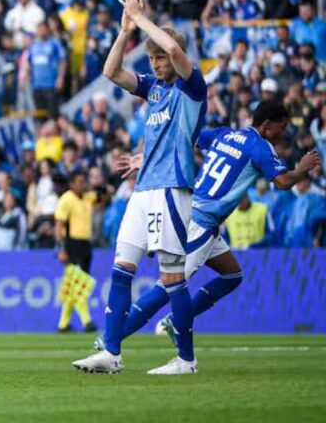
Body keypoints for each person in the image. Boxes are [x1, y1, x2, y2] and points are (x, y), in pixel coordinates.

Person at [98, 101, 321, 353]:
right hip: (201, 222)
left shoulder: (224, 134)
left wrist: (148, 158)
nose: (285, 132)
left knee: (232, 275)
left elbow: (182, 139)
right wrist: (302, 169)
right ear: (267, 126)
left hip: (198, 215)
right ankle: (111, 338)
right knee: (168, 287)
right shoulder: (260, 147)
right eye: (283, 126)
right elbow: (281, 181)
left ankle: (174, 321)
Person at [74, 0, 207, 375]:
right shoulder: (154, 89)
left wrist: (141, 17)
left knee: (171, 278)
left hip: (172, 189)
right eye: (151, 58)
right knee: (121, 265)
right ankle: (110, 352)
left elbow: (178, 52)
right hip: (144, 189)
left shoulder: (191, 87)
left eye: (159, 57)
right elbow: (111, 72)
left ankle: (186, 359)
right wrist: (124, 30)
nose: (155, 63)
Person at [54, 170, 97, 333]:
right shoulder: (66, 199)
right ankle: (87, 321)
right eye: (79, 181)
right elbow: (58, 224)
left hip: (85, 244)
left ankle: (63, 324)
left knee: (77, 286)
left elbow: (104, 196)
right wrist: (60, 249)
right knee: (78, 284)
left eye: (83, 181)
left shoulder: (88, 197)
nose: (82, 185)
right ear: (71, 183)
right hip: (71, 245)